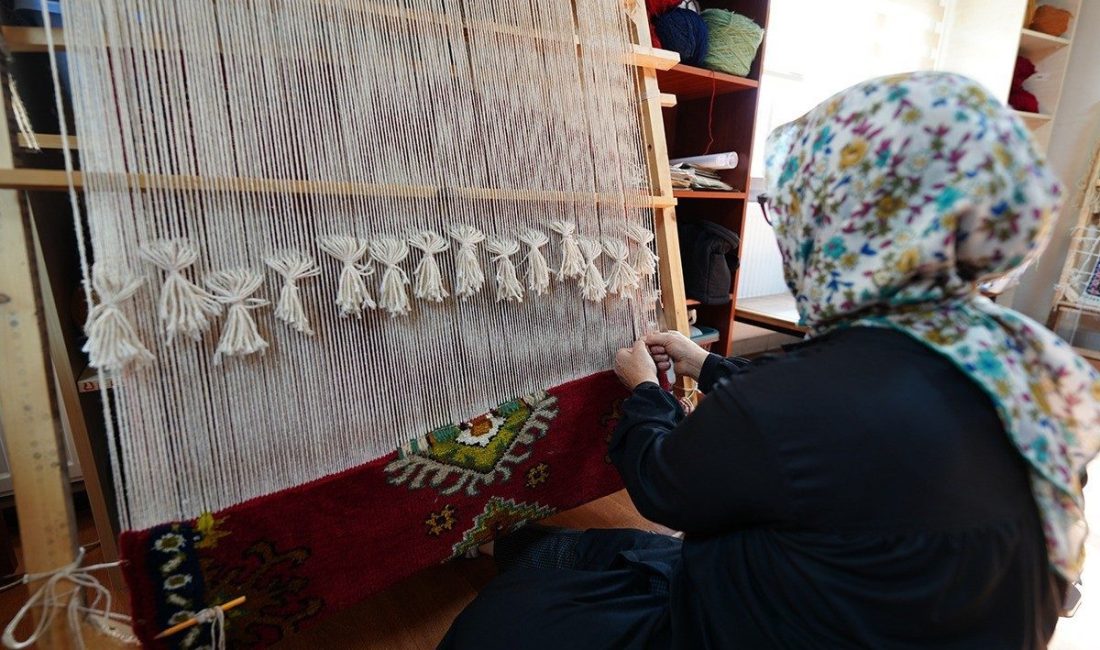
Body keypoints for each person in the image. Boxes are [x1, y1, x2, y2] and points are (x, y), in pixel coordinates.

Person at [439, 72, 1099, 649]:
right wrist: (706, 365)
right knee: (588, 554)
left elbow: (665, 486)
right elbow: (859, 431)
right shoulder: (1031, 358)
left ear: (842, 219)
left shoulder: (805, 396)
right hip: (943, 615)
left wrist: (647, 393)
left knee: (506, 618)